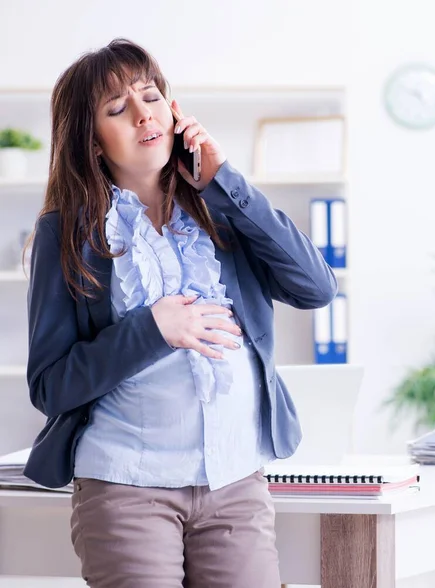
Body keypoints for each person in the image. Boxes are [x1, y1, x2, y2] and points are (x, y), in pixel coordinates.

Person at [23, 37, 337, 588]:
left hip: (235, 485)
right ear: (92, 142)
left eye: (152, 96)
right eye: (118, 109)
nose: (145, 114)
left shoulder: (220, 206)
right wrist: (152, 330)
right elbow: (50, 386)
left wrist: (226, 180)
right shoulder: (65, 235)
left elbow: (314, 288)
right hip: (126, 488)